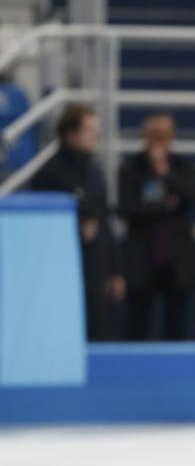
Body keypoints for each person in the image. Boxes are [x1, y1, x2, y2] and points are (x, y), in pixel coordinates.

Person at [31, 104, 125, 340]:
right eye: (89, 129)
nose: (95, 134)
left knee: (97, 327)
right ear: (71, 133)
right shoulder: (49, 173)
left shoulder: (95, 170)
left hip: (95, 265)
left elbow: (104, 219)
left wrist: (114, 271)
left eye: (96, 128)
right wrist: (77, 222)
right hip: (61, 268)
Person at [118, 113, 195, 341]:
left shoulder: (182, 166)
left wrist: (165, 173)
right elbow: (127, 208)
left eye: (163, 137)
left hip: (176, 259)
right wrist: (166, 205)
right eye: (153, 137)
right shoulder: (132, 168)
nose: (157, 143)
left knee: (176, 325)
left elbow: (192, 196)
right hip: (142, 259)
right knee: (137, 324)